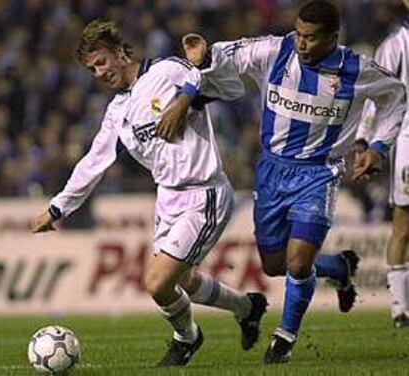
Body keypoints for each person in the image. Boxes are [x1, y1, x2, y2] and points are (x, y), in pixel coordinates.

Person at [159, 0, 407, 364]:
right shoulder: (278, 49)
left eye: (311, 38)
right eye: (299, 34)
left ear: (332, 38)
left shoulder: (356, 68)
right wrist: (204, 54)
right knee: (274, 264)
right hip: (273, 171)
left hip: (320, 173)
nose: (302, 43)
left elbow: (396, 97)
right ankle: (338, 267)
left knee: (297, 260)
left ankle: (283, 341)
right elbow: (231, 55)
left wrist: (379, 146)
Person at [30, 19, 268, 367]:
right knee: (180, 281)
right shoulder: (117, 111)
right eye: (91, 68)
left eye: (102, 62)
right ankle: (248, 308)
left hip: (204, 193)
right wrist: (57, 209)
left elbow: (231, 89)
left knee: (157, 283)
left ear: (122, 52)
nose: (98, 72)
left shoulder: (168, 71)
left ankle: (187, 339)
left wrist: (186, 99)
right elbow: (93, 162)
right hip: (168, 198)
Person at [357, 0, 409, 329]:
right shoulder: (395, 46)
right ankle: (400, 308)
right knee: (404, 224)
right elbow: (376, 97)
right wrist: (364, 140)